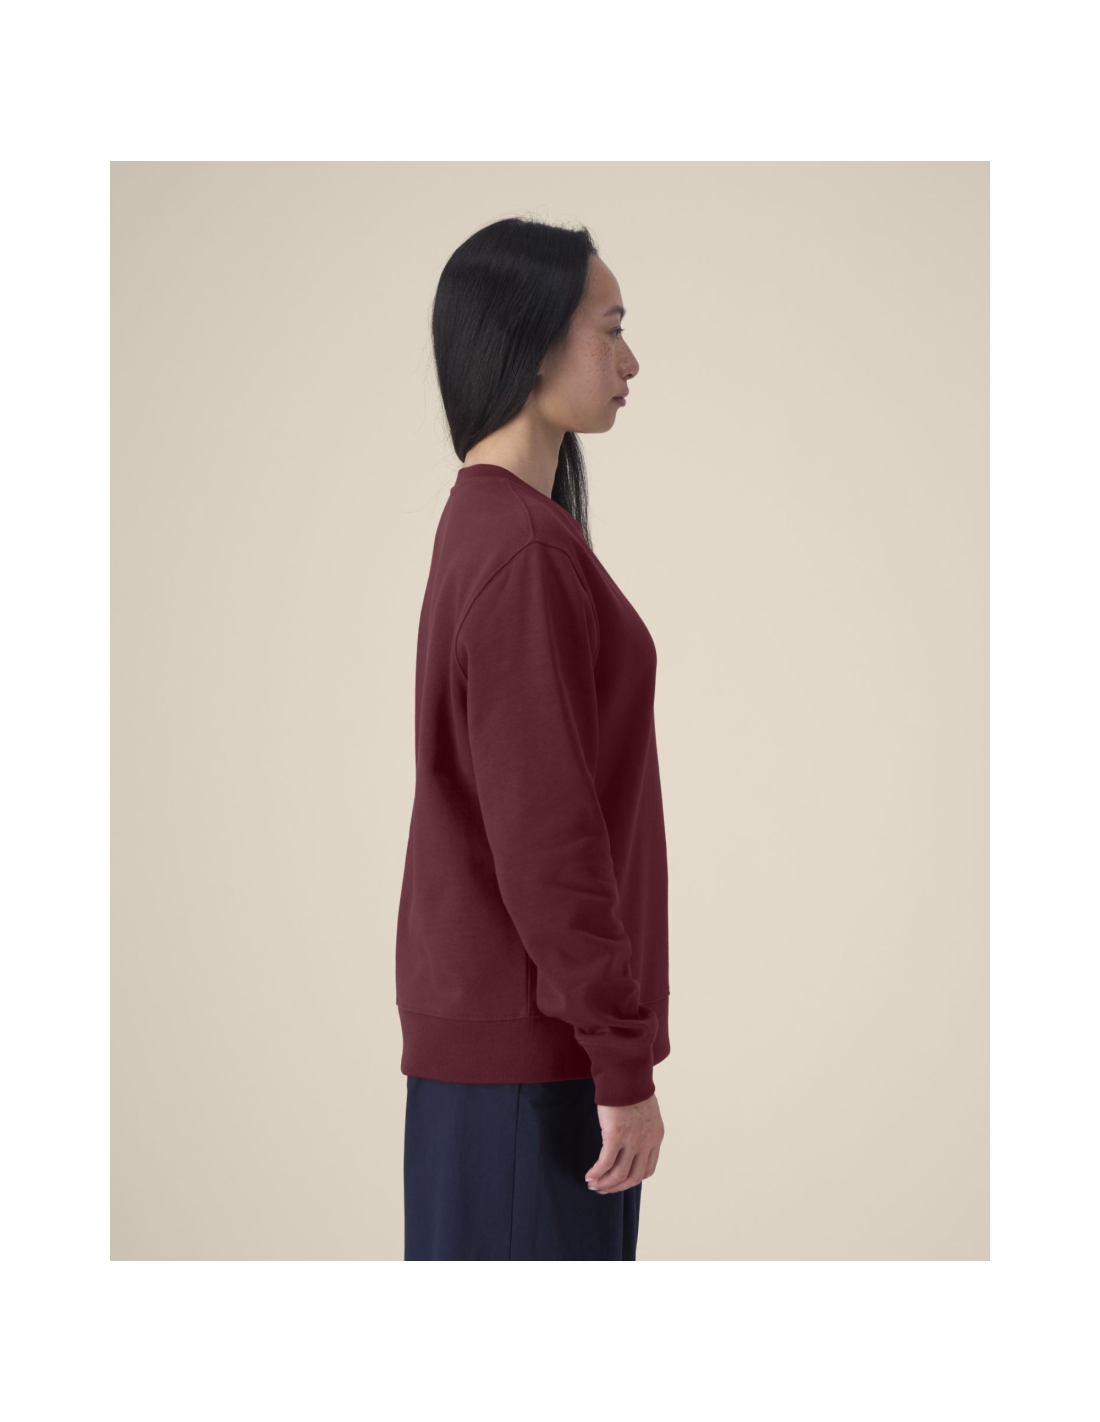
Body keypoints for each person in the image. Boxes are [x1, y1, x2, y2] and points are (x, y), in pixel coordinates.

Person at [395, 215, 671, 1260]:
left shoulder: (488, 524)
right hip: (534, 1064)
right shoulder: (522, 548)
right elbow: (547, 835)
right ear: (532, 338)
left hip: (507, 1052)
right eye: (612, 328)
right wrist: (619, 1061)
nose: (630, 361)